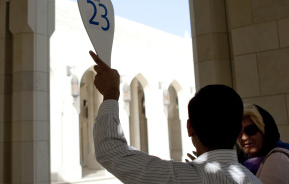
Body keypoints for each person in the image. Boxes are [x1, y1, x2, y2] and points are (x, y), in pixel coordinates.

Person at [90, 51, 262, 184]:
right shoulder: (254, 181)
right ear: (239, 130)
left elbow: (111, 151)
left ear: (189, 127)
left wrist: (111, 93)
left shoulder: (179, 177)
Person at [237, 104, 289, 183]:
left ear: (264, 131)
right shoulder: (243, 166)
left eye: (250, 130)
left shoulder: (277, 159)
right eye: (239, 133)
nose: (244, 137)